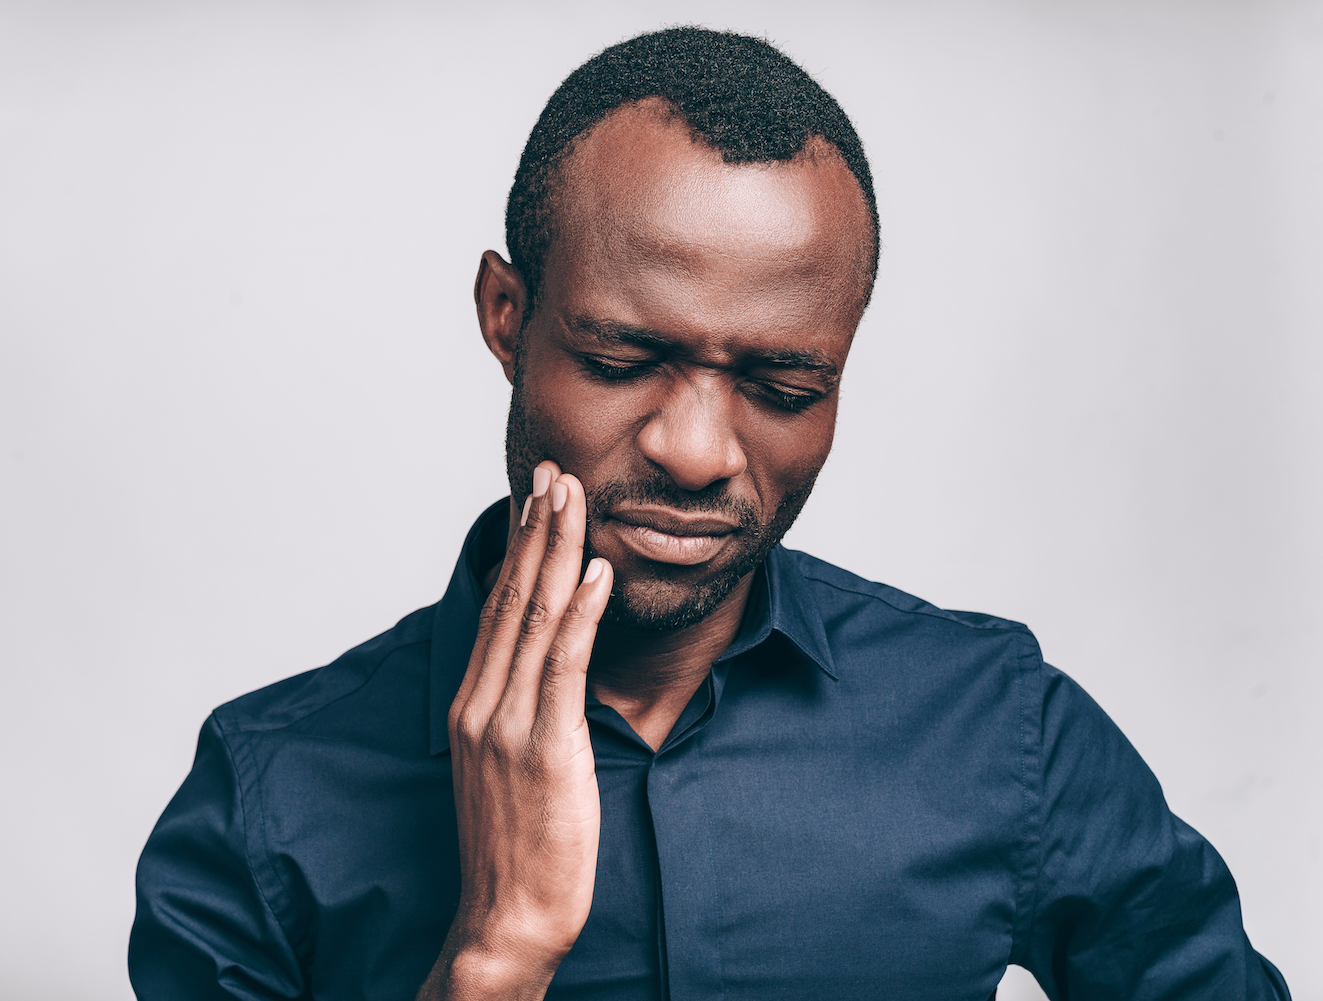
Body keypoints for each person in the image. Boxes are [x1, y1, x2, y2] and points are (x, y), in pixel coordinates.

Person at [129, 27, 1289, 1001]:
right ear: (504, 316)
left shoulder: (997, 727)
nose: (696, 452)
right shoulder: (268, 796)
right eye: (623, 357)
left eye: (784, 387)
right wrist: (496, 954)